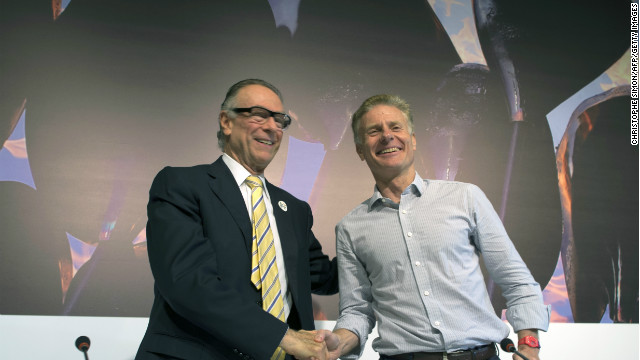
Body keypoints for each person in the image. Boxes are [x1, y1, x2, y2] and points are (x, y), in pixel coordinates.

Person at [318, 94, 551, 360]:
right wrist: (339, 342)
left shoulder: (466, 197)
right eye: (374, 131)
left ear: (413, 140)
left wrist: (529, 346)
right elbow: (357, 311)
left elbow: (517, 281)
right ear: (360, 150)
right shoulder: (350, 228)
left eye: (395, 127)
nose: (386, 136)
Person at [135, 79, 339, 360]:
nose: (271, 127)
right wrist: (284, 337)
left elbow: (324, 277)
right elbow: (186, 282)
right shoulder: (181, 185)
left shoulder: (294, 210)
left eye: (280, 120)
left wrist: (380, 243)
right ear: (226, 121)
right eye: (259, 115)